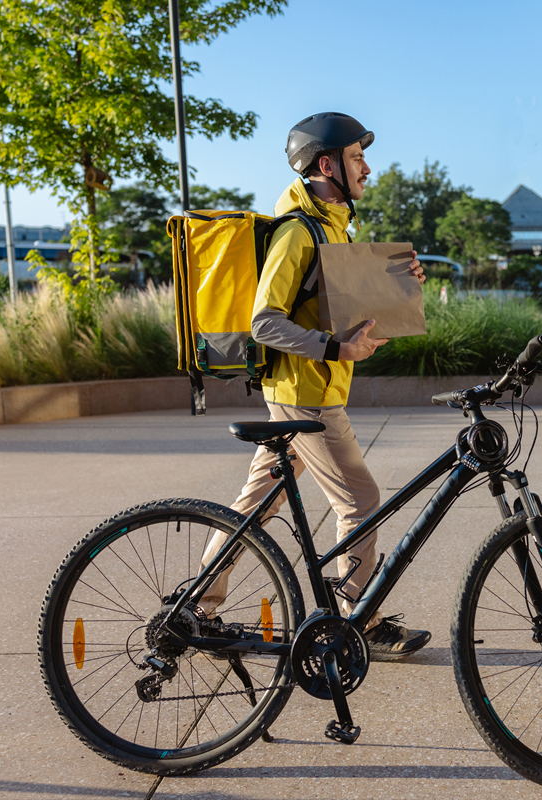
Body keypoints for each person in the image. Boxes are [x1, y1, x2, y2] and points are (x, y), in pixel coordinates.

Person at [197, 112, 430, 661]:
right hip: (306, 397)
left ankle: (197, 610)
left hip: (304, 391)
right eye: (356, 158)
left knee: (257, 505)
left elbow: (349, 325)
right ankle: (360, 619)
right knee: (361, 502)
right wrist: (334, 349)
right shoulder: (298, 232)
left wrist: (399, 293)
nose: (367, 168)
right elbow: (265, 322)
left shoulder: (333, 229)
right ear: (327, 165)